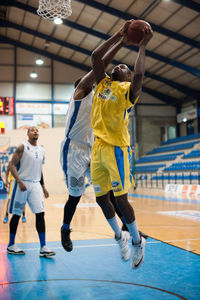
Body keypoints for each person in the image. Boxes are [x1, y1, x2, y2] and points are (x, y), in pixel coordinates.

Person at [60, 29, 132, 252]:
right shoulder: (80, 94)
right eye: (87, 80)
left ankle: (127, 228)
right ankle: (65, 228)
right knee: (75, 195)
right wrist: (121, 39)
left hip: (94, 147)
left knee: (108, 192)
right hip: (73, 148)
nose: (91, 81)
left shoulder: (102, 95)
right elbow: (97, 64)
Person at [91, 20, 153, 268]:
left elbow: (139, 75)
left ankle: (138, 242)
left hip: (117, 150)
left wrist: (142, 48)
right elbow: (96, 57)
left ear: (126, 77)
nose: (120, 66)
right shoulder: (103, 83)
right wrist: (119, 38)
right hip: (97, 148)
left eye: (124, 67)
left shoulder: (128, 91)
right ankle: (120, 237)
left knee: (121, 200)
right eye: (118, 65)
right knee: (100, 199)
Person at [7, 126, 56, 257]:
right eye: (32, 130)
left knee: (40, 214)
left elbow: (39, 169)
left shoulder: (41, 150)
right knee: (17, 215)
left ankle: (43, 247)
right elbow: (11, 165)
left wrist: (43, 187)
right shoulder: (22, 147)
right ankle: (11, 245)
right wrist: (19, 181)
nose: (35, 131)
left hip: (35, 185)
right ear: (27, 134)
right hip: (22, 183)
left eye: (37, 130)